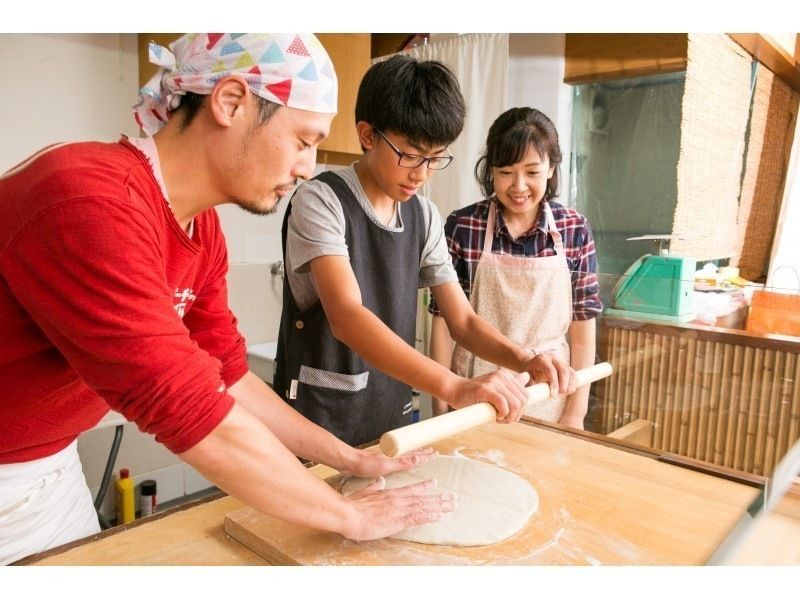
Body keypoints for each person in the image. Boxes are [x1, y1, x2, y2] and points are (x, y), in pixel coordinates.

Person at [0, 33, 456, 566]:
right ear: (231, 101)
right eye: (303, 141)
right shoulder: (89, 198)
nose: (309, 167)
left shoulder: (203, 230)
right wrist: (348, 516)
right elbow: (184, 404)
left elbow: (228, 374)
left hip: (49, 466)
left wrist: (347, 457)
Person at [274, 55, 576, 448]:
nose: (421, 174)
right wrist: (454, 386)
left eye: (435, 158)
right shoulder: (321, 200)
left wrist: (524, 360)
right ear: (367, 135)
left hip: (392, 422)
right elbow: (347, 317)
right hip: (319, 423)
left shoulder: (424, 215)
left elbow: (463, 322)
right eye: (411, 155)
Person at [429, 107, 603, 428]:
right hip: (476, 397)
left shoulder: (574, 229)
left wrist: (574, 414)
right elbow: (444, 322)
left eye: (532, 172)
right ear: (490, 170)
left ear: (551, 169)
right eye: (506, 172)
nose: (519, 186)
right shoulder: (464, 225)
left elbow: (582, 332)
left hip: (548, 395)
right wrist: (440, 407)